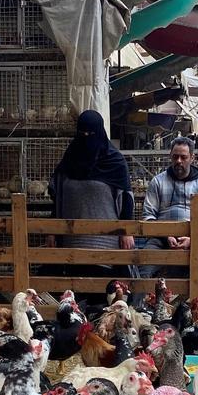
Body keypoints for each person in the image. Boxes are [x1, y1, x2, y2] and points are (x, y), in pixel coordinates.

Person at [47, 110, 134, 279]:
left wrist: (126, 231)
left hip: (106, 244)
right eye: (82, 134)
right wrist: (52, 230)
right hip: (72, 244)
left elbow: (126, 199)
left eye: (91, 134)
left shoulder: (114, 162)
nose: (86, 138)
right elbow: (57, 196)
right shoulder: (70, 159)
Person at [138, 137, 198, 279]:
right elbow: (148, 216)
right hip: (161, 239)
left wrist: (192, 238)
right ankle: (136, 302)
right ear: (170, 156)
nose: (179, 161)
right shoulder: (158, 181)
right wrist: (165, 235)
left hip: (196, 237)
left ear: (192, 158)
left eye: (183, 157)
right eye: (175, 157)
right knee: (144, 264)